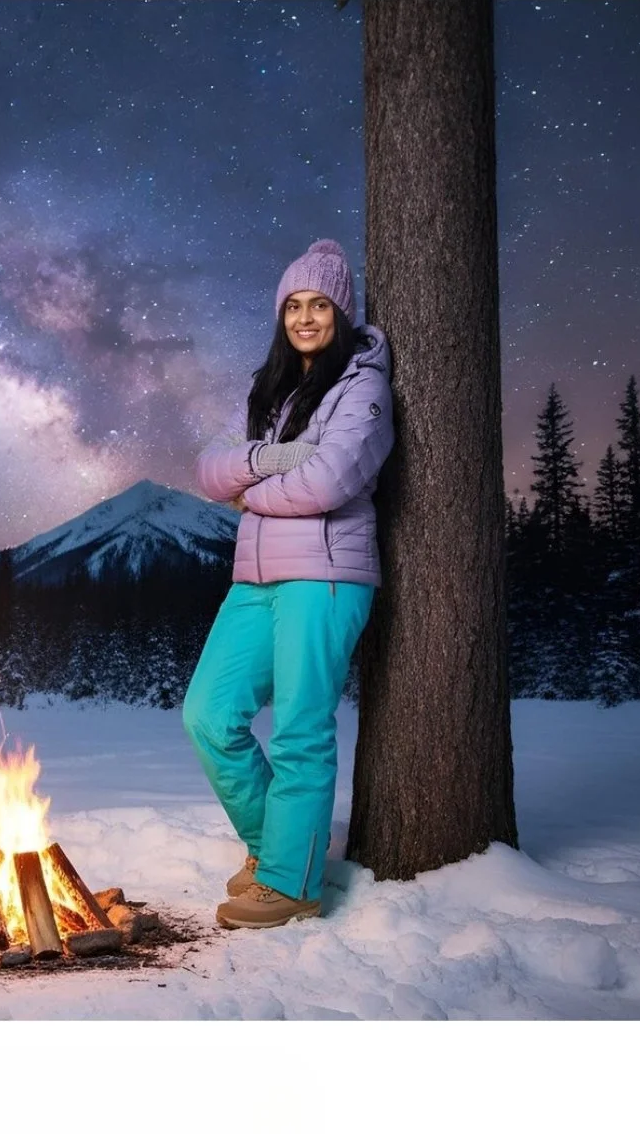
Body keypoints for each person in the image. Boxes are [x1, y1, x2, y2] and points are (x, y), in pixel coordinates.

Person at [183, 238, 394, 930]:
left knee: (303, 729)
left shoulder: (362, 385)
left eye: (319, 304)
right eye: (294, 305)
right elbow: (209, 470)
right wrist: (269, 456)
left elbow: (332, 480)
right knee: (209, 715)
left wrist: (253, 495)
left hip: (325, 579)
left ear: (341, 310)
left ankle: (290, 882)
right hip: (255, 580)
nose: (305, 317)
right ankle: (275, 847)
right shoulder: (270, 392)